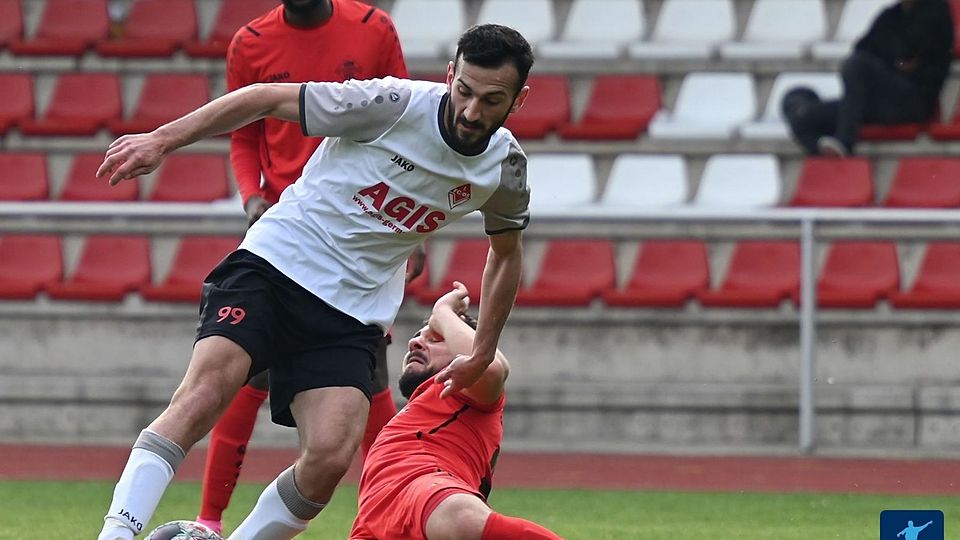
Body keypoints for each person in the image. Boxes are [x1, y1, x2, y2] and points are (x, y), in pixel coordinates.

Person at [94, 22, 533, 540]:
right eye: (464, 91)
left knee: (329, 457)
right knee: (205, 394)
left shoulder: (504, 167)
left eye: (491, 99)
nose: (471, 112)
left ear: (518, 99)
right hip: (277, 264)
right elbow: (263, 97)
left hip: (352, 311)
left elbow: (505, 252)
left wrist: (483, 350)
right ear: (450, 75)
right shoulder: (390, 105)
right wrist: (162, 140)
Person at [197, 0, 420, 533]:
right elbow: (246, 134)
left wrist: (410, 234)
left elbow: (412, 130)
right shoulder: (250, 41)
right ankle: (207, 522)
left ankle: (390, 516)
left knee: (369, 385)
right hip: (286, 238)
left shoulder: (372, 29)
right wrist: (252, 197)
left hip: (359, 238)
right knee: (242, 379)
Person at [349, 282, 562, 540]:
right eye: (418, 335)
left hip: (426, 495)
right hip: (376, 524)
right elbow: (374, 379)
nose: (415, 341)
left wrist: (443, 312)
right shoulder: (406, 421)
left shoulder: (466, 393)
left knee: (460, 518)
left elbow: (490, 366)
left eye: (436, 337)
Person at [783, 0, 954, 157]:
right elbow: (863, 48)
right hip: (872, 106)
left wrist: (888, 58)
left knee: (857, 65)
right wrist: (893, 61)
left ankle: (845, 141)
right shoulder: (891, 15)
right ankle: (824, 148)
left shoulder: (936, 13)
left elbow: (910, 52)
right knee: (796, 104)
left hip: (912, 104)